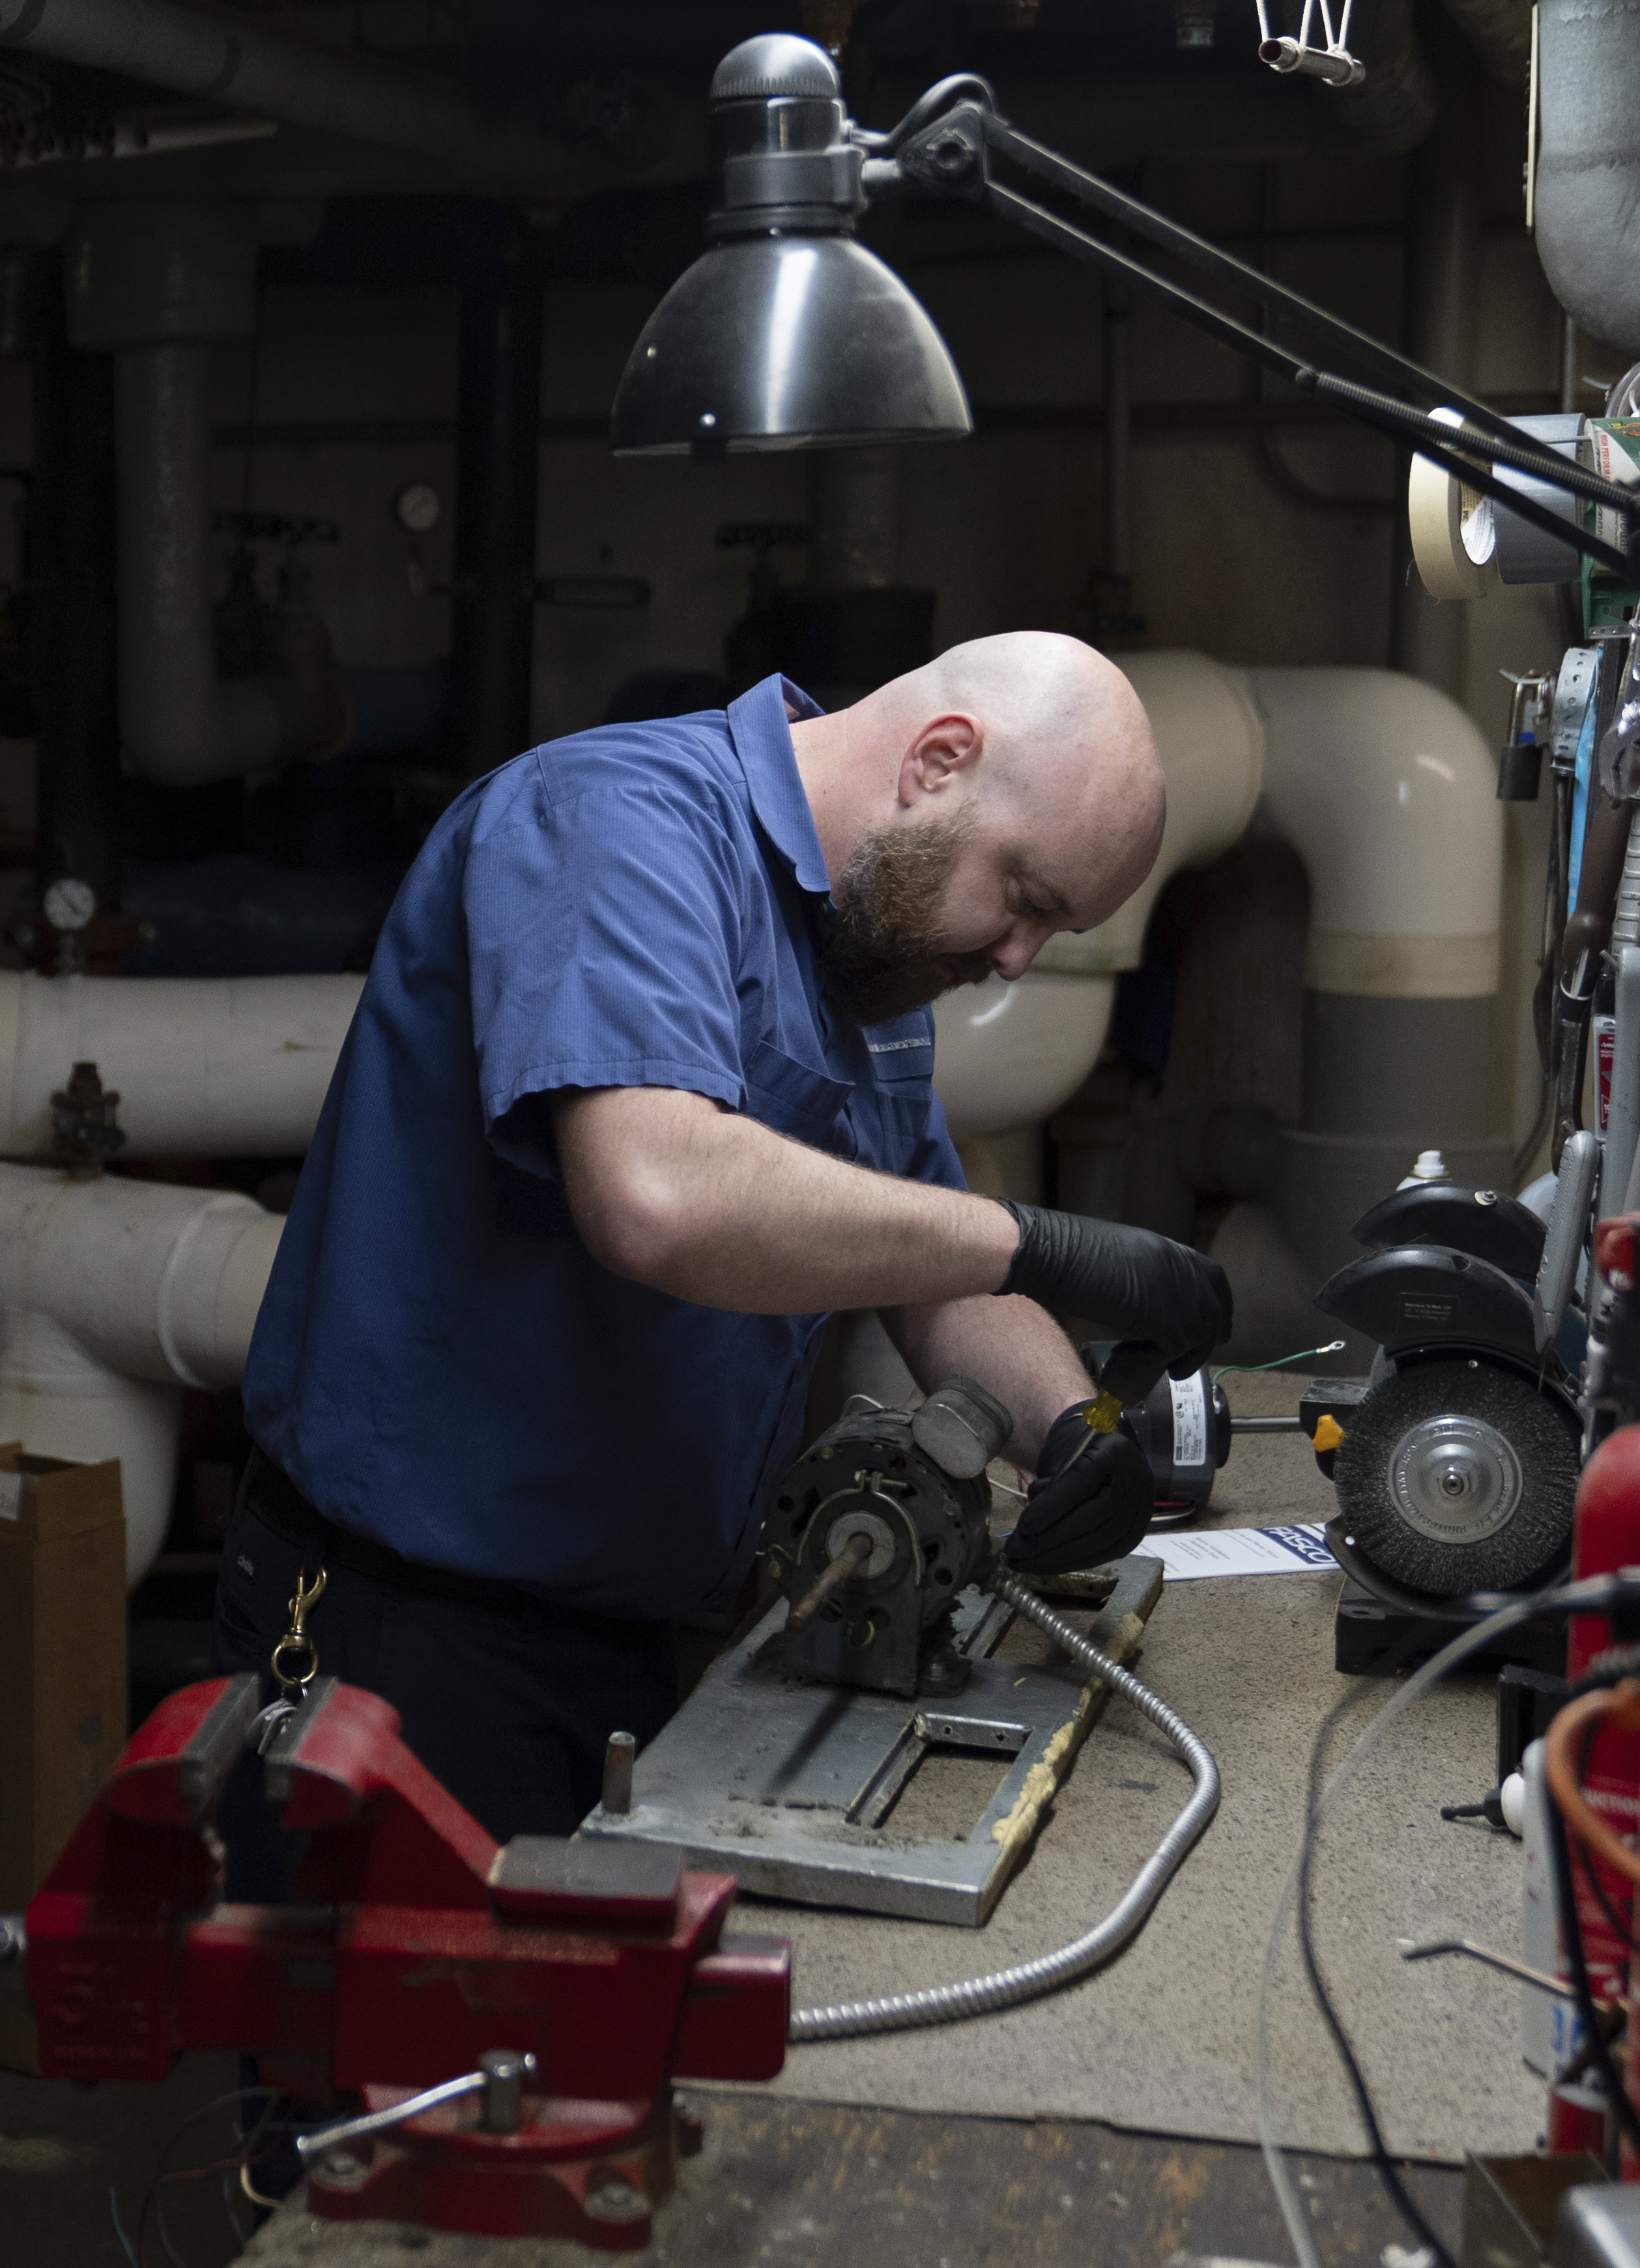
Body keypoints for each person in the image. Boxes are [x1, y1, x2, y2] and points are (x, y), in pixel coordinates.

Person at [217, 632, 1231, 1858]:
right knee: (409, 2044)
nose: (1015, 959)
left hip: (629, 1637)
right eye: (1023, 900)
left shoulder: (870, 961)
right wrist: (1038, 1241)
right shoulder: (617, 827)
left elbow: (933, 1262)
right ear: (939, 762)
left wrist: (1076, 1429)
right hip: (409, 1639)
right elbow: (655, 1192)